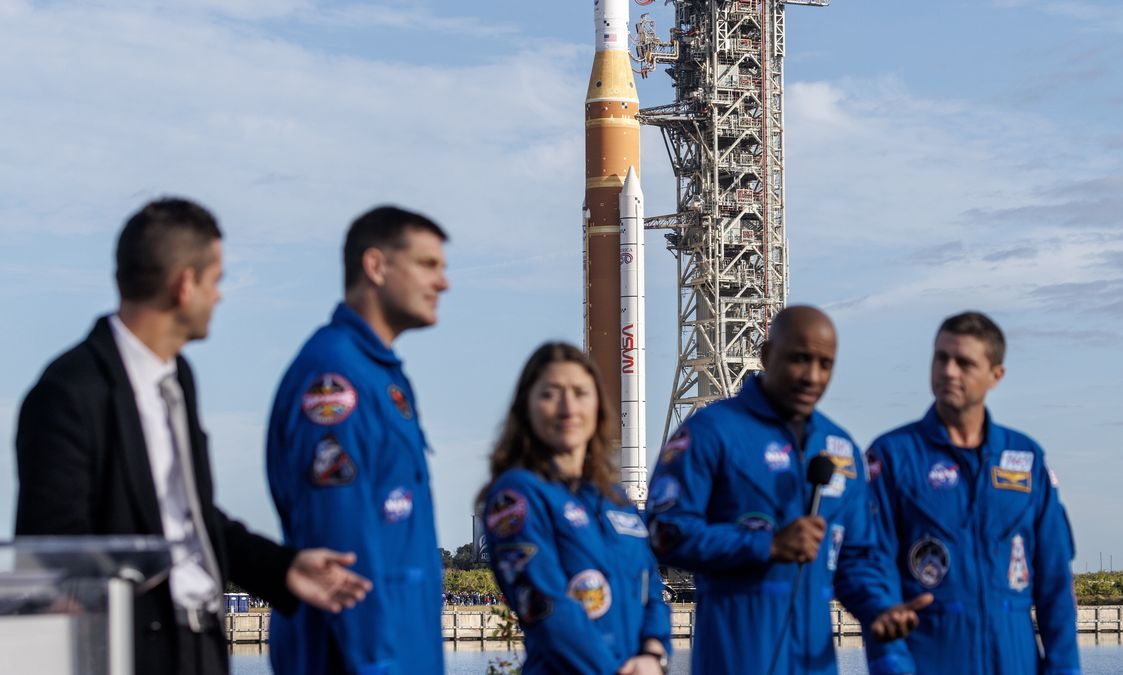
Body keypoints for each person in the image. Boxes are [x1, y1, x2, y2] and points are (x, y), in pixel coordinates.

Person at [14, 197, 371, 675]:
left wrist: (282, 568)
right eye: (215, 280)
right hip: (131, 654)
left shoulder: (178, 379)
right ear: (185, 285)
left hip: (200, 645)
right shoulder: (68, 392)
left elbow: (197, 522)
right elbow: (54, 550)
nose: (220, 296)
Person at [645, 306, 929, 675]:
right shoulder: (711, 432)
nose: (812, 376)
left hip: (815, 663)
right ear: (766, 355)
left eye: (824, 364)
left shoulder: (839, 447)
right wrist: (767, 546)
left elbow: (857, 558)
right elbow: (662, 532)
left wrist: (880, 608)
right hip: (735, 660)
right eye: (799, 359)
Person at [266, 206, 450, 675]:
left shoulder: (380, 375)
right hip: (360, 662)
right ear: (376, 266)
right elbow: (341, 556)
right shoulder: (335, 381)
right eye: (428, 265)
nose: (443, 283)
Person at [864, 311, 1080, 674]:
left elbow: (1056, 584)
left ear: (996, 375)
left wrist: (1065, 670)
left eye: (964, 362)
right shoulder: (892, 457)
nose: (948, 371)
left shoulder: (1025, 459)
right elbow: (872, 573)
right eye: (941, 358)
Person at [479, 342, 672, 675]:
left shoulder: (616, 500)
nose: (569, 408)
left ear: (598, 405)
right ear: (526, 407)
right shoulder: (517, 498)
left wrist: (654, 653)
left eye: (581, 393)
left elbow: (650, 585)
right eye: (551, 394)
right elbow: (547, 607)